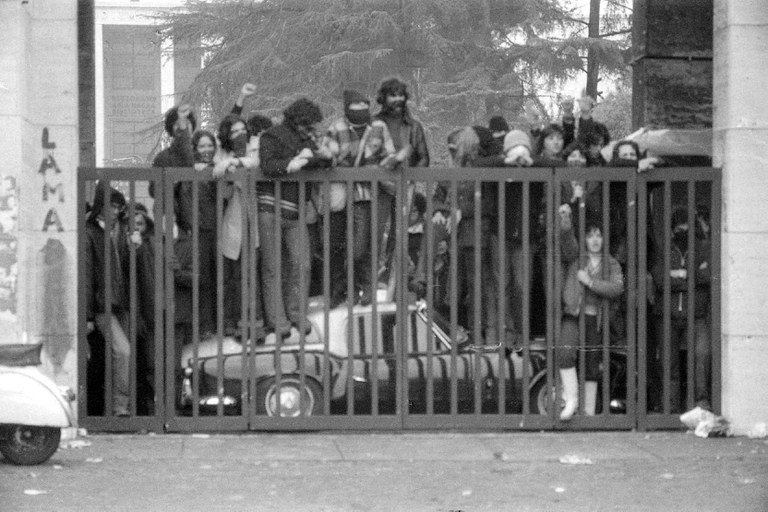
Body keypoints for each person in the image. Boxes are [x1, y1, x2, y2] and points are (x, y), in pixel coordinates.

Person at [258, 98, 332, 337]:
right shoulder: (271, 135)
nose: (311, 130)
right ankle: (278, 321)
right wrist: (296, 161)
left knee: (303, 263)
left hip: (295, 211)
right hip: (269, 208)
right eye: (308, 125)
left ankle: (297, 314)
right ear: (297, 120)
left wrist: (317, 153)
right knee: (272, 267)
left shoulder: (307, 139)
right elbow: (268, 165)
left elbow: (325, 162)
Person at [324, 89, 396, 307]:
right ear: (347, 110)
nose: (360, 112)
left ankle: (365, 288)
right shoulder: (336, 127)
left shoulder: (378, 127)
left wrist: (376, 166)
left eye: (364, 107)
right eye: (355, 109)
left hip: (370, 192)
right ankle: (350, 288)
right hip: (344, 193)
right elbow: (327, 157)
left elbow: (390, 156)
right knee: (347, 246)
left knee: (367, 244)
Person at [559, 220, 624, 420]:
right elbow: (568, 242)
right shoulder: (577, 258)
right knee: (565, 353)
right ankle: (572, 402)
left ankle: (587, 413)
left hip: (596, 318)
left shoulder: (611, 262)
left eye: (598, 235)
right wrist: (567, 224)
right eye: (590, 235)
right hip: (574, 315)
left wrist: (590, 282)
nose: (595, 240)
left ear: (604, 238)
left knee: (592, 364)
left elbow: (616, 288)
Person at [650, 206, 712, 412]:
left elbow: (708, 276)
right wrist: (689, 277)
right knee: (669, 364)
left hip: (696, 313)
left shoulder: (704, 248)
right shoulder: (664, 248)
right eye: (680, 226)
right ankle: (671, 408)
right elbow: (659, 280)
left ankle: (700, 406)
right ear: (673, 228)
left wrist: (679, 274)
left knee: (701, 356)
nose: (683, 231)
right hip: (666, 314)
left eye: (687, 226)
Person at [374, 78, 429, 298]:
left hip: (405, 187)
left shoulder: (414, 126)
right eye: (392, 95)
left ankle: (392, 285)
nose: (397, 99)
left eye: (400, 95)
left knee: (399, 237)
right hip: (378, 187)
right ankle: (373, 281)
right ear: (384, 98)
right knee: (376, 234)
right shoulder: (375, 123)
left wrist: (410, 177)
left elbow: (424, 157)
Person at [85, 183, 131, 416]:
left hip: (116, 303)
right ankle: (119, 409)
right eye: (111, 206)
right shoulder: (91, 232)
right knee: (123, 352)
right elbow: (88, 275)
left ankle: (119, 406)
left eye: (118, 208)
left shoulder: (112, 232)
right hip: (103, 305)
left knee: (122, 354)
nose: (115, 211)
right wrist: (88, 315)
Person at [212, 113, 260, 337]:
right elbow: (223, 193)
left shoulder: (256, 145)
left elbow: (257, 162)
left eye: (242, 130)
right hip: (236, 218)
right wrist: (228, 174)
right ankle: (234, 322)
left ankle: (252, 321)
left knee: (254, 273)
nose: (240, 135)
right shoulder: (222, 153)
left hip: (257, 216)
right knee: (235, 274)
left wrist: (235, 163)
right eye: (234, 132)